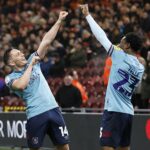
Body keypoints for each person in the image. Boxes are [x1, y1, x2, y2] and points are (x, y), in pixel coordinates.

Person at [80, 4, 145, 150]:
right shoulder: (140, 67)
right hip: (128, 112)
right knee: (124, 147)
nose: (119, 42)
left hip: (114, 110)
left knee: (107, 147)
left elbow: (101, 36)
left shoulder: (119, 55)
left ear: (127, 45)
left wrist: (88, 16)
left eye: (122, 40)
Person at [3, 11, 69, 150]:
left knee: (63, 146)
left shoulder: (32, 60)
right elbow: (21, 85)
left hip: (53, 109)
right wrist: (31, 65)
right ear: (11, 63)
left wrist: (59, 21)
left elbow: (46, 41)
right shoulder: (10, 78)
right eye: (17, 54)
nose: (21, 53)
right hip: (35, 115)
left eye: (20, 52)